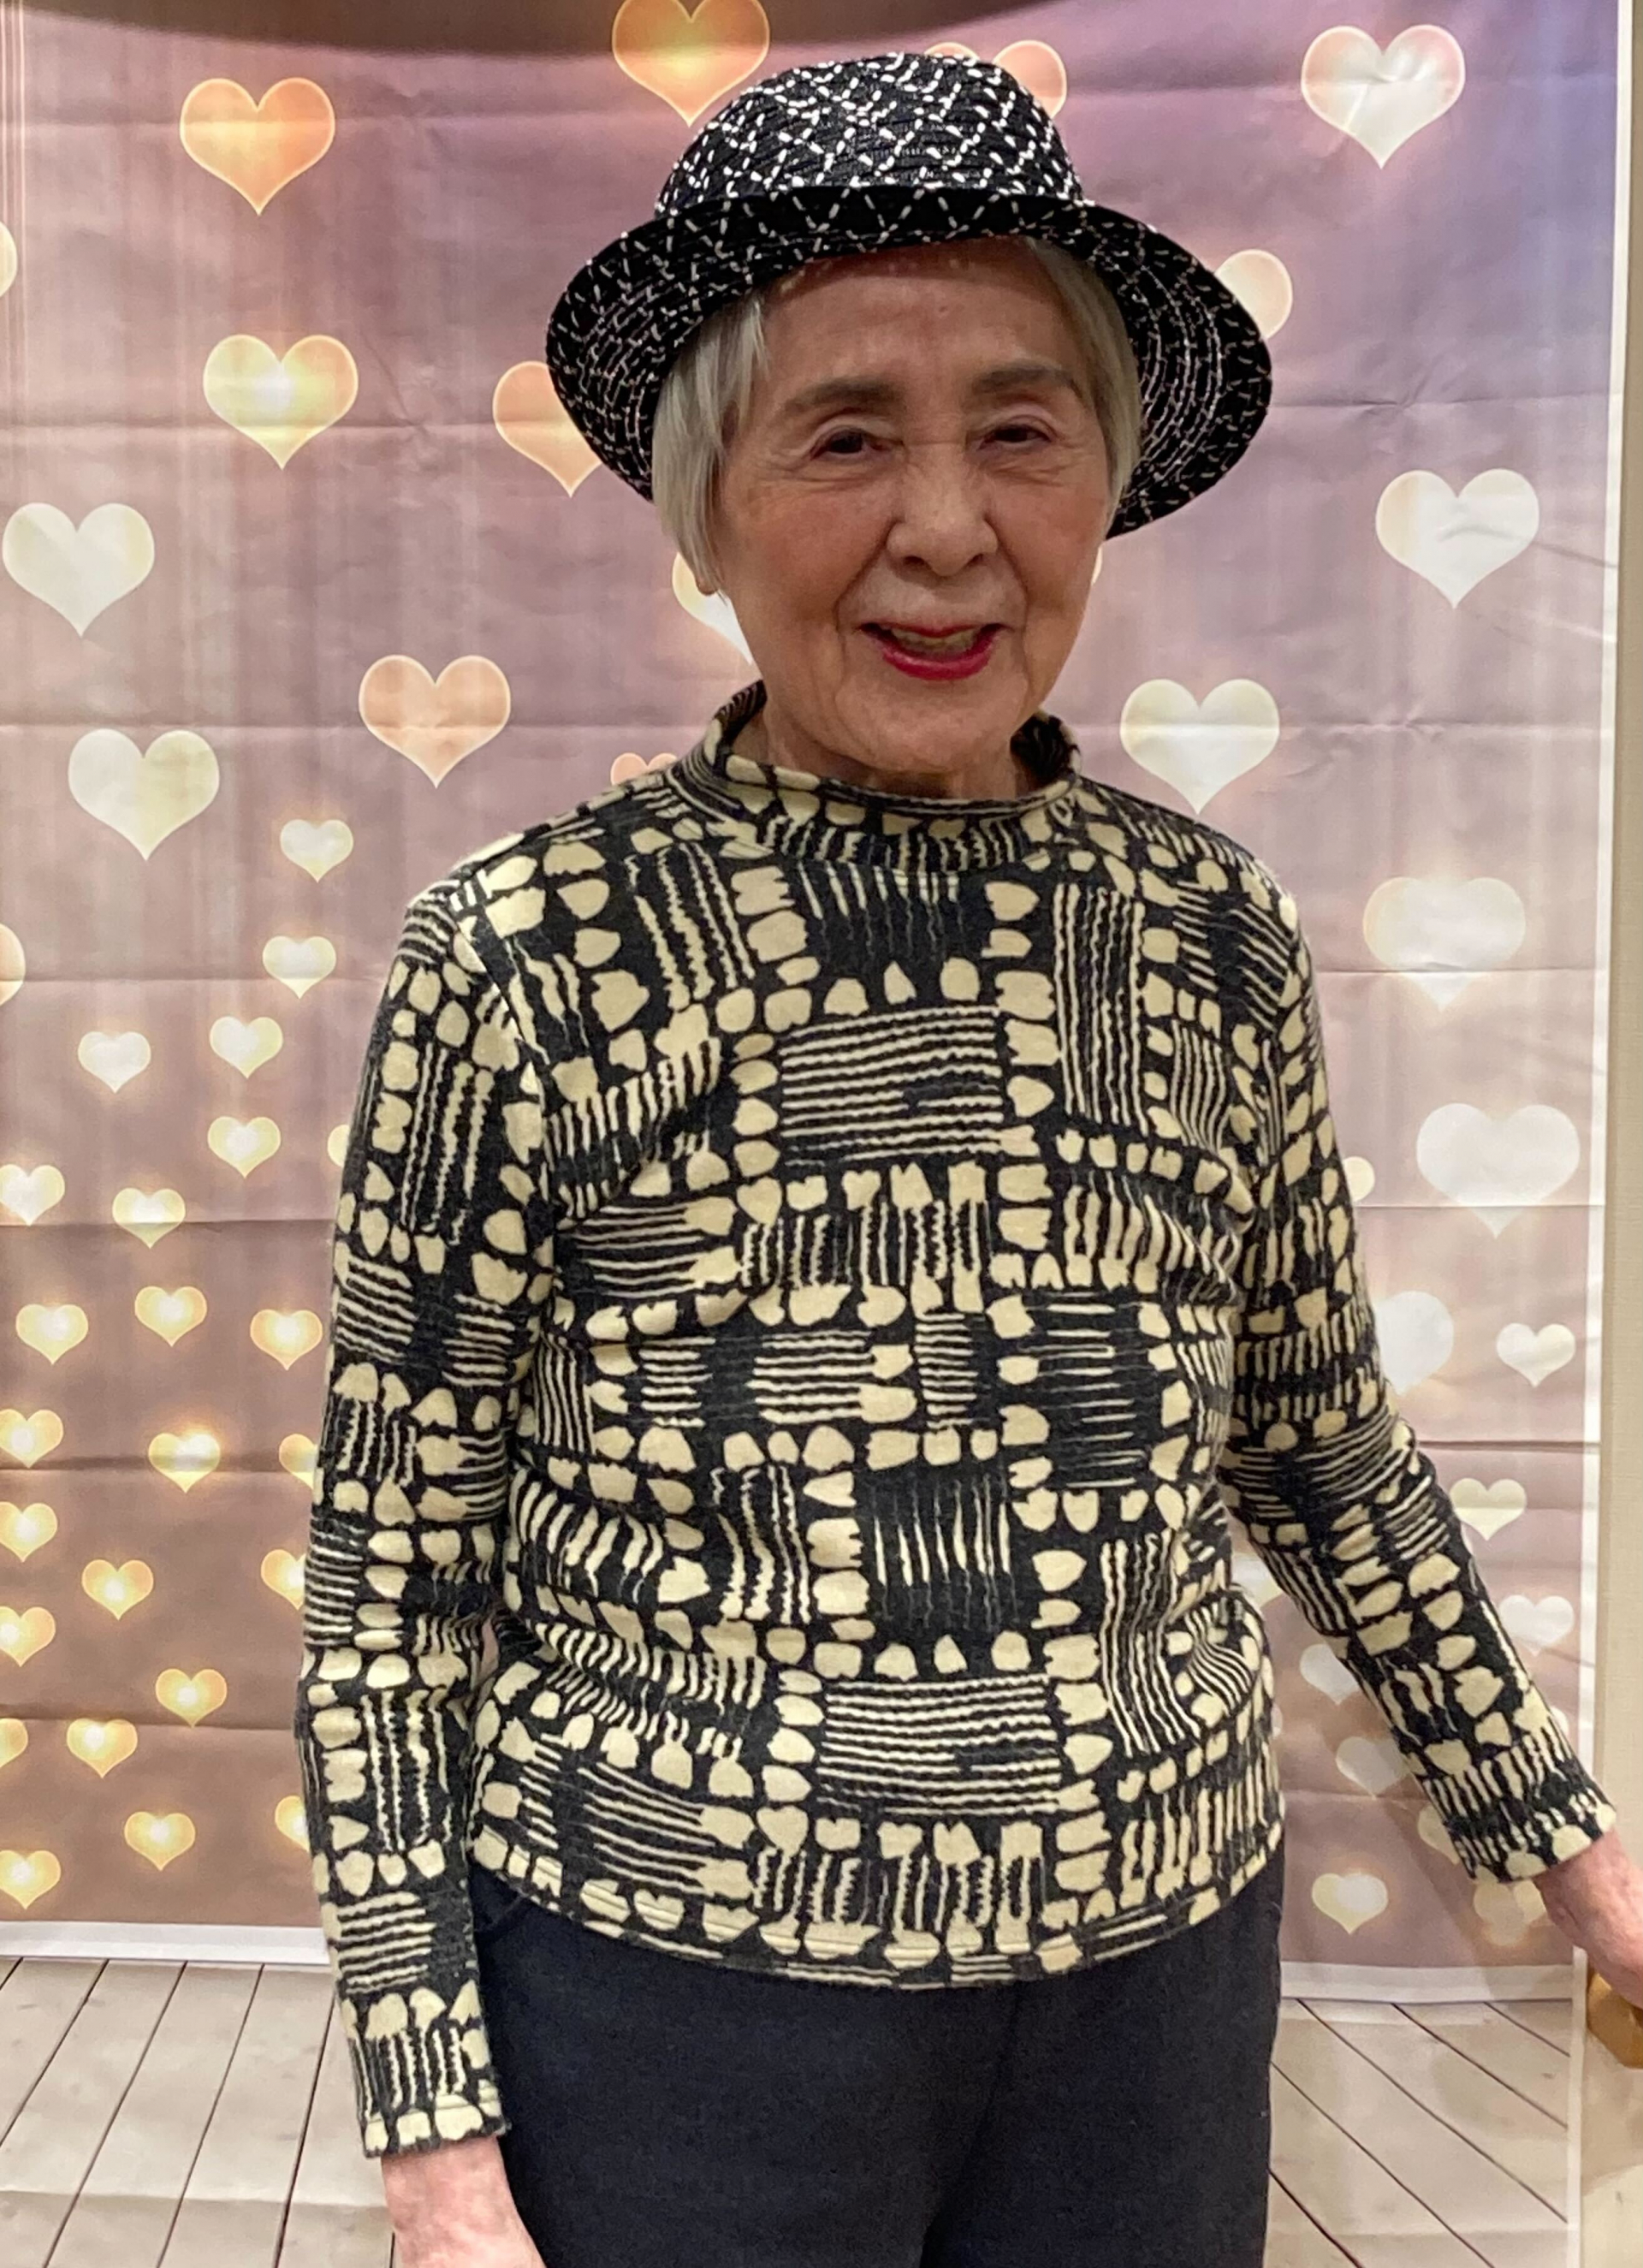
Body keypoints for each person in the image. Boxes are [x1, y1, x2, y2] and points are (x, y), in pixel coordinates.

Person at [294, 49, 1643, 2268]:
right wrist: (438, 2145)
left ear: (1104, 475)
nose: (945, 527)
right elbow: (392, 1589)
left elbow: (1317, 1447)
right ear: (707, 505)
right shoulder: (528, 955)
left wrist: (1572, 1844)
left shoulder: (1204, 935)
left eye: (1020, 428)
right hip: (675, 2012)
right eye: (845, 436)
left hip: (1153, 2002)